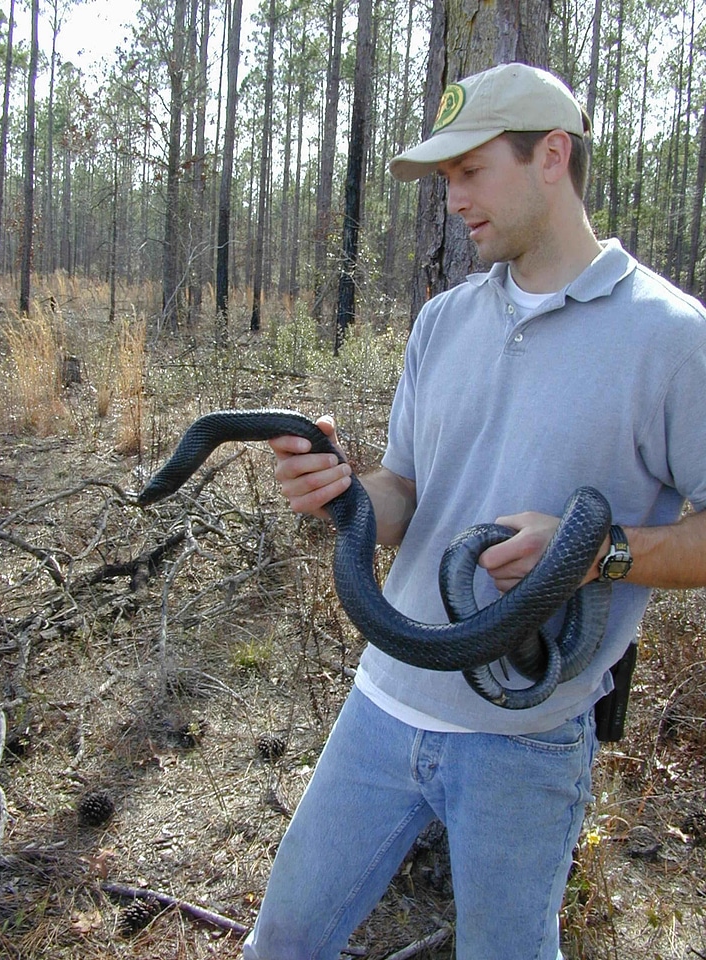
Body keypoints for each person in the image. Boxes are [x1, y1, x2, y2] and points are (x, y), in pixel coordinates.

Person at [242, 62, 706, 960]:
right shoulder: (443, 321)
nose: (452, 199)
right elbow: (407, 496)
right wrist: (340, 494)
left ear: (552, 157)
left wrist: (592, 552)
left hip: (524, 745)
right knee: (281, 946)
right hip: (381, 707)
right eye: (444, 178)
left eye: (470, 170)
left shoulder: (675, 340)